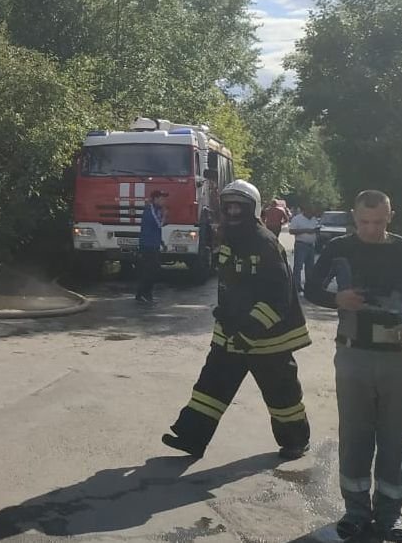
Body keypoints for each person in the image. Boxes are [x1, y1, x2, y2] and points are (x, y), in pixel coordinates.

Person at [305, 190, 402, 543]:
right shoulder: (339, 248)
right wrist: (336, 298)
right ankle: (355, 512)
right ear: (354, 217)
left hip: (396, 358)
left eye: (379, 222)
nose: (371, 229)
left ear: (390, 216)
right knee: (355, 435)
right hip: (353, 356)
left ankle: (390, 515)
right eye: (364, 222)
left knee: (394, 437)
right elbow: (309, 289)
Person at [162, 180, 311, 460]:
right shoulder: (231, 239)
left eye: (237, 207)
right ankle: (191, 438)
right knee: (211, 387)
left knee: (282, 394)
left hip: (267, 338)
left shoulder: (265, 243)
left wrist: (251, 329)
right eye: (227, 206)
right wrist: (227, 318)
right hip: (231, 333)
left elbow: (278, 296)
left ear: (251, 209)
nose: (232, 212)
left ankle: (295, 441)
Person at [135, 190, 168, 304]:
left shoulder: (156, 210)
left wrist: (161, 242)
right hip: (148, 245)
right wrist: (164, 216)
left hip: (154, 244)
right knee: (149, 270)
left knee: (153, 270)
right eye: (161, 199)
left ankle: (144, 293)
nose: (163, 201)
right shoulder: (150, 210)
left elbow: (156, 230)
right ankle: (143, 293)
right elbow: (158, 224)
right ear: (155, 199)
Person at [289, 205, 318, 293]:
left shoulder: (314, 219)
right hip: (301, 245)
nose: (311, 213)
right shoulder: (297, 219)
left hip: (311, 245)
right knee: (298, 266)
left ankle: (309, 286)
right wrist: (306, 230)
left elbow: (314, 229)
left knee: (310, 267)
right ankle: (296, 286)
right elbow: (291, 231)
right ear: (305, 210)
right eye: (310, 210)